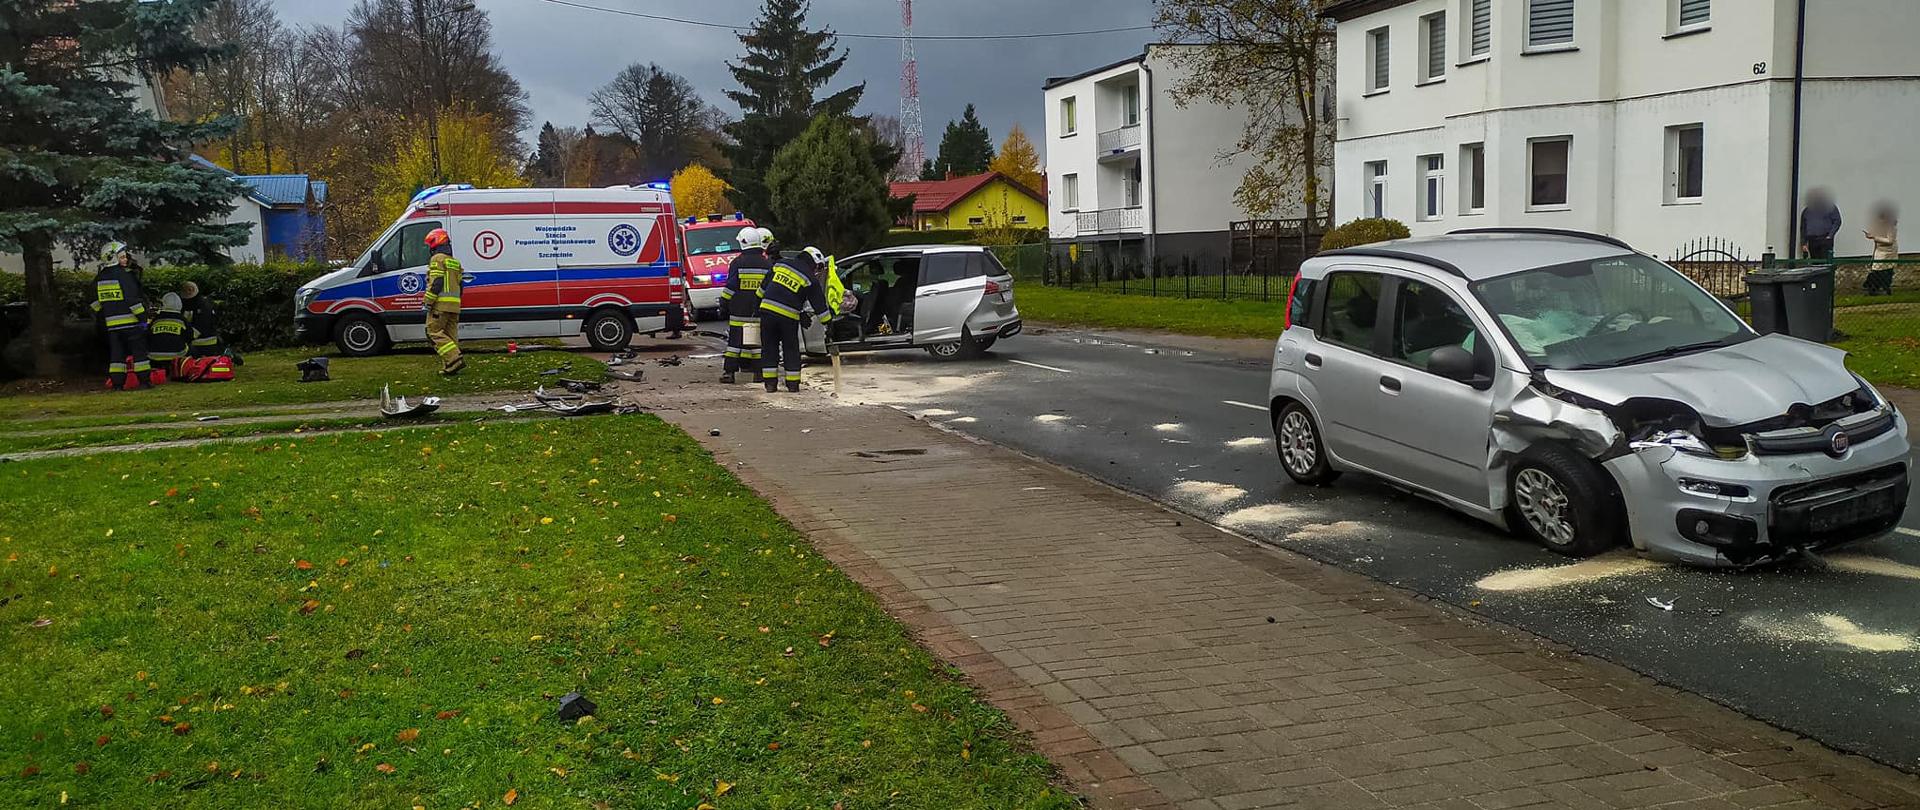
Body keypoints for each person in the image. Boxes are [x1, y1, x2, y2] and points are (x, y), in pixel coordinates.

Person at [757, 246, 832, 393]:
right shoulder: (810, 279)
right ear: (813, 261)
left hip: (767, 312)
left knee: (769, 348)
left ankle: (770, 384)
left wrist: (757, 307)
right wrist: (828, 324)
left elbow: (763, 289)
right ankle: (792, 384)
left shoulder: (781, 265)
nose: (817, 270)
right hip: (788, 317)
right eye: (818, 266)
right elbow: (819, 305)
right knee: (790, 349)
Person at [90, 241, 151, 390]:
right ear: (114, 258)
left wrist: (105, 313)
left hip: (112, 326)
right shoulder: (125, 276)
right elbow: (133, 300)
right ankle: (144, 382)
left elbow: (93, 301)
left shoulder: (99, 278)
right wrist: (143, 319)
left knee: (117, 356)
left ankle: (117, 384)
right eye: (122, 257)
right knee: (139, 353)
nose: (125, 260)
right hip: (131, 323)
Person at [719, 227, 773, 384]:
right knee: (757, 343)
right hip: (759, 310)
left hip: (739, 310)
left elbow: (731, 287)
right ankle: (759, 374)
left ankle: (729, 373)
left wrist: (723, 303)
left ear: (743, 242)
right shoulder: (767, 264)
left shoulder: (737, 262)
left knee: (734, 344)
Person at [422, 227, 465, 375]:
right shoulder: (455, 262)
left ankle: (454, 358)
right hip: (454, 306)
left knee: (432, 332)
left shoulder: (437, 259)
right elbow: (461, 285)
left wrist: (428, 301)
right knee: (450, 336)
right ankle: (451, 366)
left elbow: (437, 282)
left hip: (440, 305)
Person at [179, 281, 240, 364]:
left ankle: (229, 357)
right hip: (200, 342)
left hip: (205, 344)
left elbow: (201, 327)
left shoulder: (203, 306)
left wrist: (184, 337)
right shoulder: (191, 304)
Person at [146, 292, 190, 375]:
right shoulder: (182, 319)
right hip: (176, 356)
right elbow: (189, 336)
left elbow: (148, 336)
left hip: (154, 356)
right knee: (191, 348)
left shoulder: (156, 319)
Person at [1864, 201, 1900, 295]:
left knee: (1885, 270)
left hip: (1888, 251)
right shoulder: (1878, 225)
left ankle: (1885, 288)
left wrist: (1875, 238)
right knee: (1876, 269)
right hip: (1879, 250)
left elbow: (1890, 241)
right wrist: (1870, 235)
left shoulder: (1891, 227)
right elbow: (1875, 234)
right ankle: (1873, 288)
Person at [1800, 188, 1843, 260]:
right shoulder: (1807, 211)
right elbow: (1803, 228)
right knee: (1815, 262)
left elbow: (1837, 221)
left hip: (1825, 239)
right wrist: (1804, 243)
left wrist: (1830, 235)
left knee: (1825, 262)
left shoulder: (1831, 208)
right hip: (1812, 240)